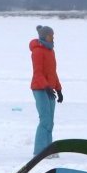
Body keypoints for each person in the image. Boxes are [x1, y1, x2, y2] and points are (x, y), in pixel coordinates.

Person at [30, 24, 63, 155]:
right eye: (51, 35)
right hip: (39, 88)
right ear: (45, 36)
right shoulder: (37, 51)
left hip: (49, 89)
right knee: (45, 120)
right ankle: (40, 151)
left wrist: (58, 89)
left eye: (53, 35)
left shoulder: (51, 51)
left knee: (50, 122)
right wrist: (46, 86)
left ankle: (49, 150)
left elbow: (53, 73)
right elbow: (37, 73)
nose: (53, 38)